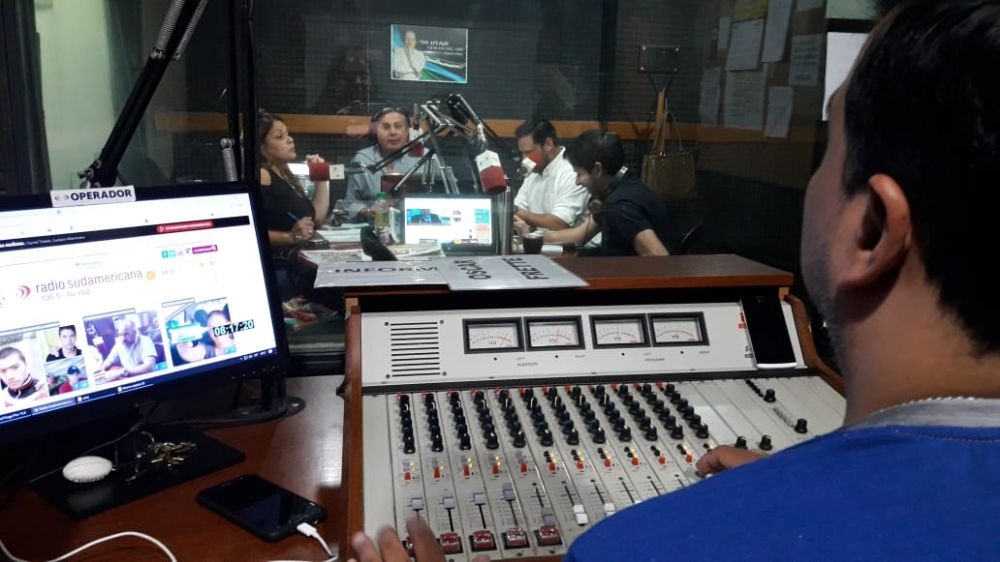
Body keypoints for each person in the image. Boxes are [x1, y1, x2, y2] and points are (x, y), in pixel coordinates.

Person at [345, 2, 1000, 560]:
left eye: (828, 148)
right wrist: (809, 478)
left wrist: (793, 494)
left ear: (872, 228)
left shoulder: (627, 549)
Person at [520, 130, 670, 256]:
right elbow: (578, 236)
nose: (577, 182)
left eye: (579, 174)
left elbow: (658, 256)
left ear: (598, 169)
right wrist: (529, 236)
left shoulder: (619, 206)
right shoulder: (620, 188)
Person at [258, 110, 331, 299]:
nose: (290, 140)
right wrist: (289, 237)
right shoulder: (263, 175)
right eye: (280, 137)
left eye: (288, 134)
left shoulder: (285, 174)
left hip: (299, 265)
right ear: (262, 147)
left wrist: (321, 177)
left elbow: (317, 219)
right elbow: (254, 231)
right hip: (279, 271)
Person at [345, 106, 430, 220]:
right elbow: (350, 202)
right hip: (376, 224)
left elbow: (444, 197)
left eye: (398, 126)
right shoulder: (363, 159)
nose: (392, 132)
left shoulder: (426, 157)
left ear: (407, 131)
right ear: (376, 132)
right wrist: (367, 212)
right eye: (386, 127)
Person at [511, 119, 591, 233]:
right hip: (539, 241)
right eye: (522, 153)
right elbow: (518, 210)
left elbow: (559, 224)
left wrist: (518, 213)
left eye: (528, 153)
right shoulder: (533, 169)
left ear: (548, 144)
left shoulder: (573, 171)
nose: (524, 160)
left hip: (573, 244)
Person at [100, 317, 157, 381]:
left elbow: (149, 367)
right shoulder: (119, 344)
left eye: (126, 334)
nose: (122, 338)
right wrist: (102, 371)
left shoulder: (145, 341)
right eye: (120, 335)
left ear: (134, 332)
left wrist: (120, 373)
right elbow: (109, 360)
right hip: (129, 380)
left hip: (146, 380)